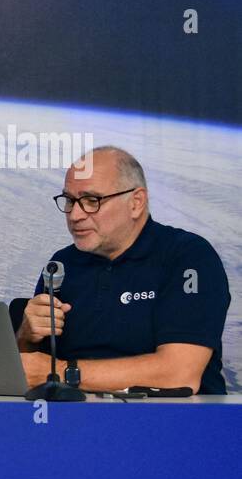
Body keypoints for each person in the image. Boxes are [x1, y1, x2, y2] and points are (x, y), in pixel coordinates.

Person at [17, 146, 229, 394]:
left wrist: (61, 372)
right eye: (70, 200)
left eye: (91, 201)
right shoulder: (62, 264)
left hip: (174, 423)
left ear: (136, 202)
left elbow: (178, 374)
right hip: (75, 420)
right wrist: (26, 335)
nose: (75, 215)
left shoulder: (187, 256)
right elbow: (29, 369)